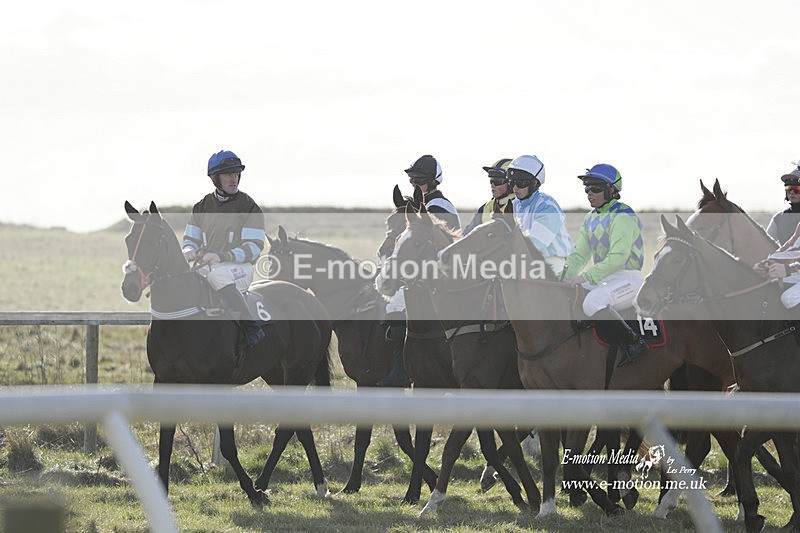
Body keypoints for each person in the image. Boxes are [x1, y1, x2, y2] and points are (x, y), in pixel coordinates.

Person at [377, 154, 459, 387]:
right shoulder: (417, 206)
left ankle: (400, 369)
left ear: (433, 181)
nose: (415, 185)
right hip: (419, 271)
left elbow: (440, 245)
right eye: (413, 180)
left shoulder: (439, 206)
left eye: (419, 180)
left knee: (395, 303)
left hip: (439, 273)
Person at [563, 163, 648, 364]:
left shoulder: (623, 214)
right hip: (605, 278)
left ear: (612, 190)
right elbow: (579, 255)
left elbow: (618, 258)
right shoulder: (590, 218)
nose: (589, 193)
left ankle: (634, 343)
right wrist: (563, 276)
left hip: (629, 277)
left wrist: (584, 277)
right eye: (587, 189)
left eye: (595, 189)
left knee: (592, 302)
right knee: (569, 296)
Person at [182, 150, 267, 349]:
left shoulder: (249, 207)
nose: (234, 179)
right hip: (206, 266)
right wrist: (188, 249)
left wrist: (221, 256)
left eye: (237, 174)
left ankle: (251, 327)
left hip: (240, 269)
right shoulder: (201, 206)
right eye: (228, 174)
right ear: (215, 178)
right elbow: (190, 239)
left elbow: (253, 248)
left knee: (217, 276)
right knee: (184, 279)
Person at [507, 155, 573, 276]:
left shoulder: (548, 207)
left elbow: (534, 245)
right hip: (525, 260)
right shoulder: (513, 205)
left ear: (535, 183)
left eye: (521, 183)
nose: (515, 188)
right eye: (512, 183)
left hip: (553, 262)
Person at [463, 158, 515, 234]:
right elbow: (466, 237)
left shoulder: (520, 207)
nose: (492, 185)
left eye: (497, 181)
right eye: (491, 180)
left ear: (511, 183)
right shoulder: (485, 208)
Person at [766, 161, 800, 245]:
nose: (792, 192)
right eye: (789, 188)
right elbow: (765, 245)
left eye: (796, 188)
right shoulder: (778, 218)